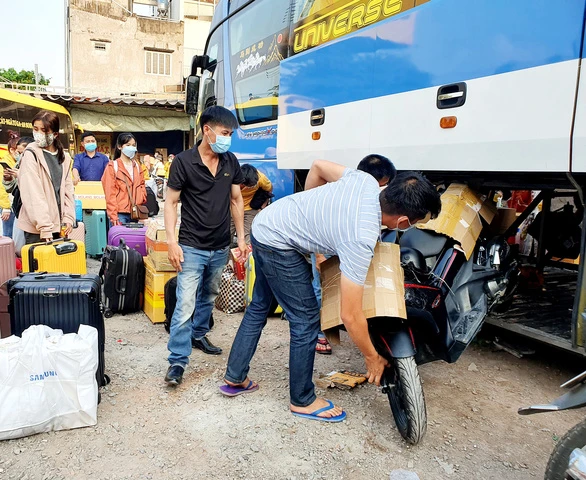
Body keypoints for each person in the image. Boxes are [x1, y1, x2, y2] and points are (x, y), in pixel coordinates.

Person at [221, 160, 441, 422]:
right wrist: (372, 357)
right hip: (277, 243)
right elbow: (350, 314)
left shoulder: (366, 182)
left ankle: (235, 377)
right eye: (415, 222)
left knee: (258, 307)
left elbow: (318, 167)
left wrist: (308, 211)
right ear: (403, 221)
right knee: (305, 319)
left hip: (267, 223)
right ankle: (302, 400)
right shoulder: (360, 236)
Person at [164, 106, 247, 386]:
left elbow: (236, 200)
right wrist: (172, 242)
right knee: (185, 303)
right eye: (225, 133)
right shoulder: (184, 163)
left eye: (231, 134)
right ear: (207, 130)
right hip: (191, 246)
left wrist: (242, 240)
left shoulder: (229, 161)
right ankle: (177, 360)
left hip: (220, 245)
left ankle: (199, 334)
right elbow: (171, 203)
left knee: (209, 296)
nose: (228, 139)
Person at [313, 153, 396, 354]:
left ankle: (354, 329)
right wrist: (318, 255)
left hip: (351, 248)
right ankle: (319, 333)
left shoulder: (374, 200)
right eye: (384, 184)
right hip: (327, 248)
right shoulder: (336, 193)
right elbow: (315, 225)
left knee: (351, 289)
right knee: (320, 289)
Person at [17, 111, 76, 245]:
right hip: (38, 229)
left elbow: (68, 191)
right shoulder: (31, 154)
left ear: (55, 134)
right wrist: (44, 226)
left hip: (58, 225)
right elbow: (33, 194)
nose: (38, 134)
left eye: (43, 130)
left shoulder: (64, 158)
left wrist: (68, 218)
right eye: (35, 129)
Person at [101, 133, 147, 226]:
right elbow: (110, 193)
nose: (131, 148)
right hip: (119, 213)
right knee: (120, 240)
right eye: (128, 145)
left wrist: (141, 197)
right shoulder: (112, 166)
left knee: (134, 240)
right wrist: (113, 215)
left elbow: (142, 184)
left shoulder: (137, 166)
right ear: (119, 146)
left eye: (133, 145)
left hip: (136, 212)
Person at [230, 164, 273, 244]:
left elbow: (268, 192)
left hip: (250, 209)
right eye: (242, 185)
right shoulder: (230, 177)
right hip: (231, 208)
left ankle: (247, 255)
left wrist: (261, 208)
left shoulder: (261, 179)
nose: (242, 187)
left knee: (248, 239)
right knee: (225, 237)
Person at [0, 131, 21, 237]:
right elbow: (2, 188)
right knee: (8, 235)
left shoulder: (17, 162)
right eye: (19, 151)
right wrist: (6, 207)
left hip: (17, 203)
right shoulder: (4, 164)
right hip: (8, 206)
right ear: (12, 150)